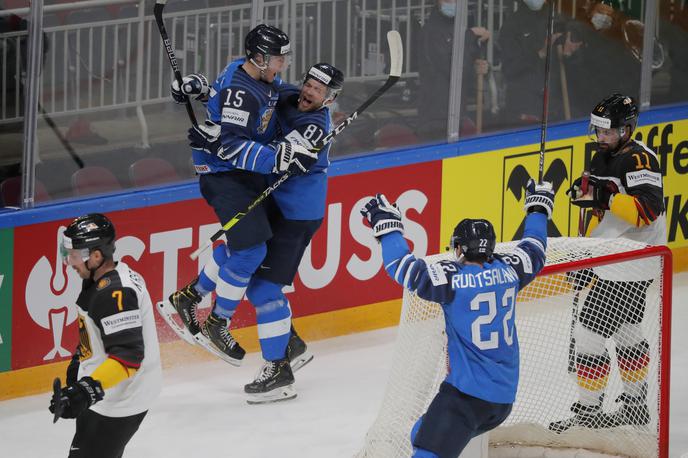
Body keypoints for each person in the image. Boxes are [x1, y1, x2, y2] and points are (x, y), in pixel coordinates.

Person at [162, 24, 316, 401]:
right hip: (224, 176)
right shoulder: (241, 91)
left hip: (239, 176)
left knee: (241, 247)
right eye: (278, 58)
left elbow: (223, 95)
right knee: (251, 250)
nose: (282, 63)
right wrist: (279, 157)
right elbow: (230, 147)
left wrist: (199, 87)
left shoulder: (245, 74)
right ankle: (217, 321)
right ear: (260, 57)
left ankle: (189, 297)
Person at [360, 180, 555, 457]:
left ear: (461, 249)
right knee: (420, 432)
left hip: (465, 399)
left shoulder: (453, 281)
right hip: (501, 402)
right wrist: (537, 209)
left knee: (427, 451)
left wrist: (387, 226)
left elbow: (402, 267)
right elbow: (535, 247)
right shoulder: (511, 271)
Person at [550, 93, 666, 433]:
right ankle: (635, 406)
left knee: (587, 334)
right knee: (627, 331)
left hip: (630, 262)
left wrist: (603, 197)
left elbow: (646, 212)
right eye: (598, 131)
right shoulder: (603, 157)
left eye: (608, 132)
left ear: (627, 129)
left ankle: (589, 414)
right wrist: (586, 196)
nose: (601, 137)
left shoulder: (639, 159)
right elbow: (604, 206)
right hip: (618, 261)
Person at [240, 62, 344, 402]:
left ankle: (279, 372)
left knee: (263, 292)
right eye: (310, 83)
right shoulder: (287, 96)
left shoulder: (316, 127)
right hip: (277, 207)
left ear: (329, 99)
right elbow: (262, 89)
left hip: (297, 217)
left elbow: (281, 154)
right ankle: (292, 345)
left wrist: (292, 156)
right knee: (245, 266)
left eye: (319, 90)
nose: (310, 91)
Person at [50, 213, 161, 457]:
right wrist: (79, 363)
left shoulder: (114, 292)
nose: (70, 262)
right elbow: (102, 334)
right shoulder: (100, 278)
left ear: (97, 256)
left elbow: (129, 357)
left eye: (75, 255)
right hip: (107, 392)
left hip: (121, 399)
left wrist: (85, 391)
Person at [416, 0, 491, 140]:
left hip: (457, 113)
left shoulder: (458, 29)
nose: (452, 3)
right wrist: (469, 36)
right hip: (435, 117)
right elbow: (451, 67)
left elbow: (467, 65)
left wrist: (480, 66)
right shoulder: (431, 31)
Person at [498, 0, 579, 126]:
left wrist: (571, 51)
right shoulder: (512, 25)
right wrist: (540, 54)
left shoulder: (559, 20)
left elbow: (576, 63)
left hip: (556, 109)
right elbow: (510, 69)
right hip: (525, 110)